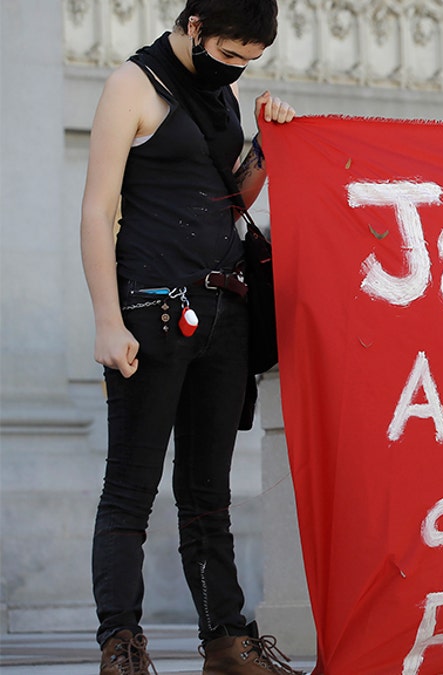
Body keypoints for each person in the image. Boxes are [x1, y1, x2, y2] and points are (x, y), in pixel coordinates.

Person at [79, 1, 302, 673]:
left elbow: (236, 195)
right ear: (197, 26)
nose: (235, 69)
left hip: (224, 312)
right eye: (231, 54)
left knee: (209, 494)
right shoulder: (131, 85)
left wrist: (267, 142)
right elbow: (97, 207)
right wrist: (106, 320)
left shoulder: (221, 90)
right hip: (149, 311)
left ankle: (226, 640)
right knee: (130, 489)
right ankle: (121, 643)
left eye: (249, 62)